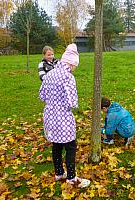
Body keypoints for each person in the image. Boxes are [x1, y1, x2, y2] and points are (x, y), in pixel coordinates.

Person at [39, 43, 90, 188]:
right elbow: (72, 102)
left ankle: (59, 173)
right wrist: (65, 105)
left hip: (50, 115)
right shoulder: (68, 77)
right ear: (72, 64)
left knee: (56, 144)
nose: (74, 69)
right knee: (70, 145)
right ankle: (72, 178)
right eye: (75, 66)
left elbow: (41, 94)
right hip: (62, 116)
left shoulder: (50, 74)